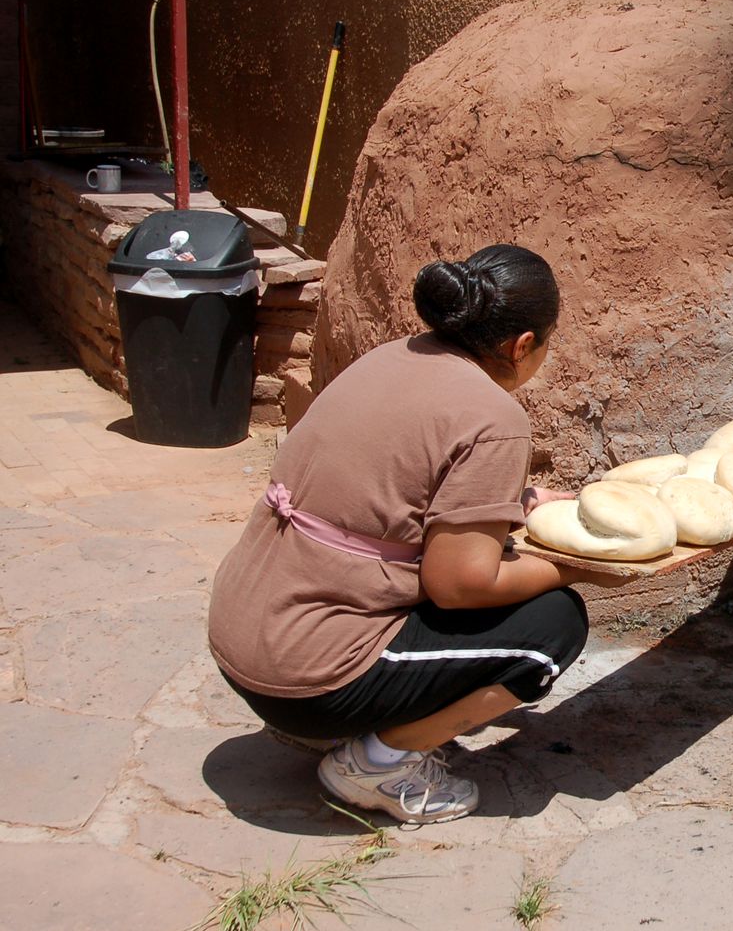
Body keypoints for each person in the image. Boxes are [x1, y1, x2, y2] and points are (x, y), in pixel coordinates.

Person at [208, 244, 621, 822]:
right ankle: (377, 765)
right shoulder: (493, 416)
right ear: (522, 344)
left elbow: (393, 495)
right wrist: (583, 564)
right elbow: (458, 585)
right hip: (306, 680)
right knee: (550, 625)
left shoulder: (392, 356)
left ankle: (357, 729)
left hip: (243, 640)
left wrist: (520, 504)